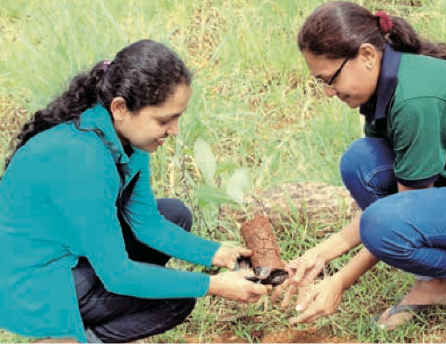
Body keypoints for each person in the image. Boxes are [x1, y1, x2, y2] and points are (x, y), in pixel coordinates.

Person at [0, 39, 270, 343]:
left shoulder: (127, 143)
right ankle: (70, 339)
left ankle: (99, 317)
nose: (174, 131)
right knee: (175, 301)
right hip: (29, 287)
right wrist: (214, 286)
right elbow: (117, 274)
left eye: (177, 118)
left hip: (68, 256)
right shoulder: (83, 159)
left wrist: (217, 254)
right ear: (120, 108)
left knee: (174, 214)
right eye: (164, 120)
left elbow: (148, 224)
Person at [279, 1, 446, 342]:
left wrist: (338, 280)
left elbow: (398, 215)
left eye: (330, 79)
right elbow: (400, 198)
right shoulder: (386, 86)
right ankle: (434, 284)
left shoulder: (415, 100)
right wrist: (321, 253)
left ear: (366, 55)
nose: (328, 92)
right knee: (361, 161)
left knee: (383, 224)